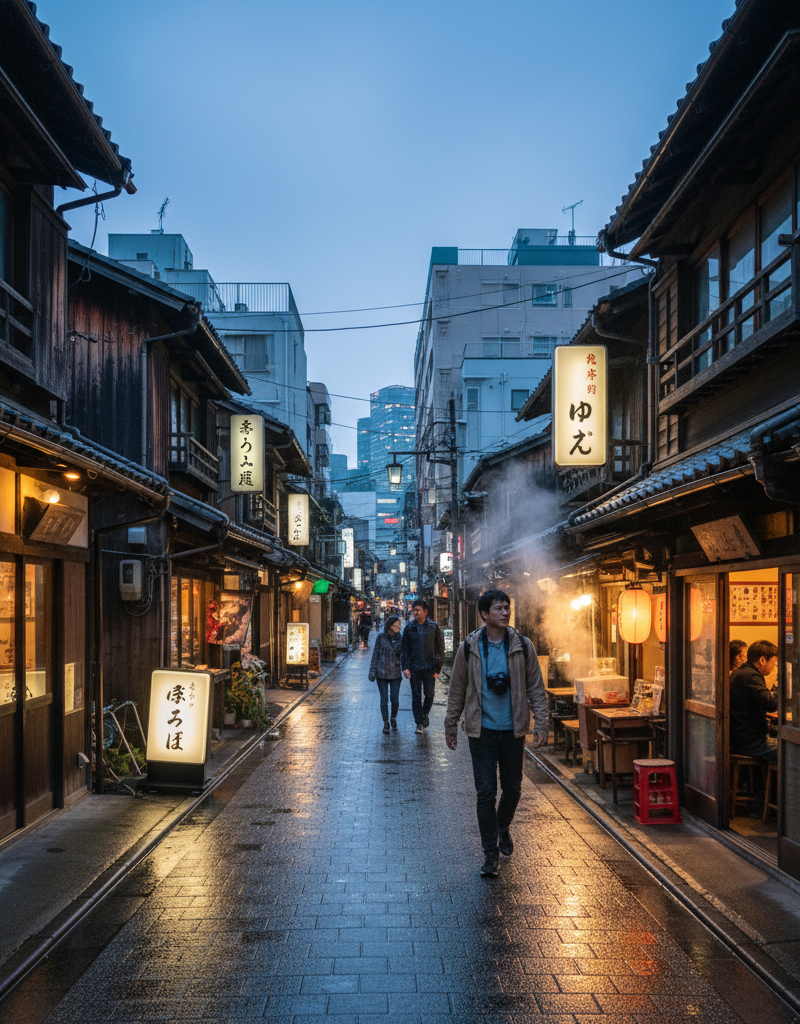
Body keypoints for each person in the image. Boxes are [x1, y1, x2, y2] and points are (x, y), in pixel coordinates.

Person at [445, 589, 548, 877]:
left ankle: (502, 826)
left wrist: (541, 723)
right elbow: (457, 689)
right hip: (482, 732)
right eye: (499, 608)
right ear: (484, 614)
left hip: (514, 730)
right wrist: (451, 725)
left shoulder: (522, 646)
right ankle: (490, 854)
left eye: (507, 608)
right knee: (486, 793)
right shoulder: (470, 647)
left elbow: (536, 688)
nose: (505, 613)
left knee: (513, 789)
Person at [730, 639, 779, 762]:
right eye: (774, 663)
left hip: (739, 739)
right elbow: (771, 705)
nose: (774, 667)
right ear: (762, 660)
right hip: (750, 743)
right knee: (792, 748)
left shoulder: (740, 673)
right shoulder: (752, 676)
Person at [400, 599, 444, 735]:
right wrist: (405, 667)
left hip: (430, 668)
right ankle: (419, 723)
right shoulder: (409, 628)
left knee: (430, 694)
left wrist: (438, 666)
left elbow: (440, 647)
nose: (416, 613)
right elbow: (405, 649)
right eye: (414, 610)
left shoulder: (433, 627)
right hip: (414, 668)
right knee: (416, 696)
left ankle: (425, 714)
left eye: (418, 610)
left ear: (425, 612)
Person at [368, 615, 403, 733]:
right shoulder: (381, 638)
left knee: (395, 699)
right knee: (384, 699)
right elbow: (375, 655)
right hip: (381, 673)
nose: (398, 627)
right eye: (395, 625)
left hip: (395, 673)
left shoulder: (401, 639)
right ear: (389, 626)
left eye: (399, 625)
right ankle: (386, 722)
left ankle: (393, 717)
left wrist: (406, 668)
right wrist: (372, 672)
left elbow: (405, 656)